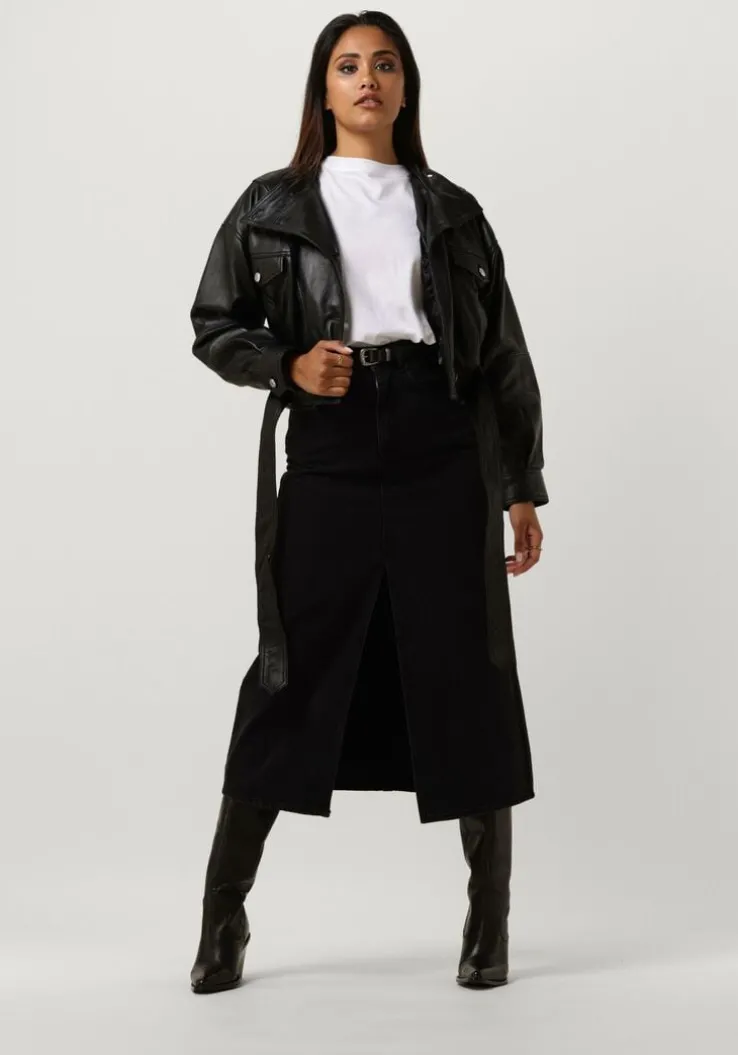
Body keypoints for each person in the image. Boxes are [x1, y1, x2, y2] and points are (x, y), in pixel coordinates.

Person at [188, 9, 548, 994]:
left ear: (406, 86)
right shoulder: (271, 204)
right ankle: (223, 919)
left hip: (443, 443)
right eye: (348, 65)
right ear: (324, 88)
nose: (368, 79)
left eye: (385, 64)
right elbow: (215, 323)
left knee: (466, 670)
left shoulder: (453, 209)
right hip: (334, 444)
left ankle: (488, 923)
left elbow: (503, 355)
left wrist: (520, 486)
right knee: (287, 671)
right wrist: (288, 365)